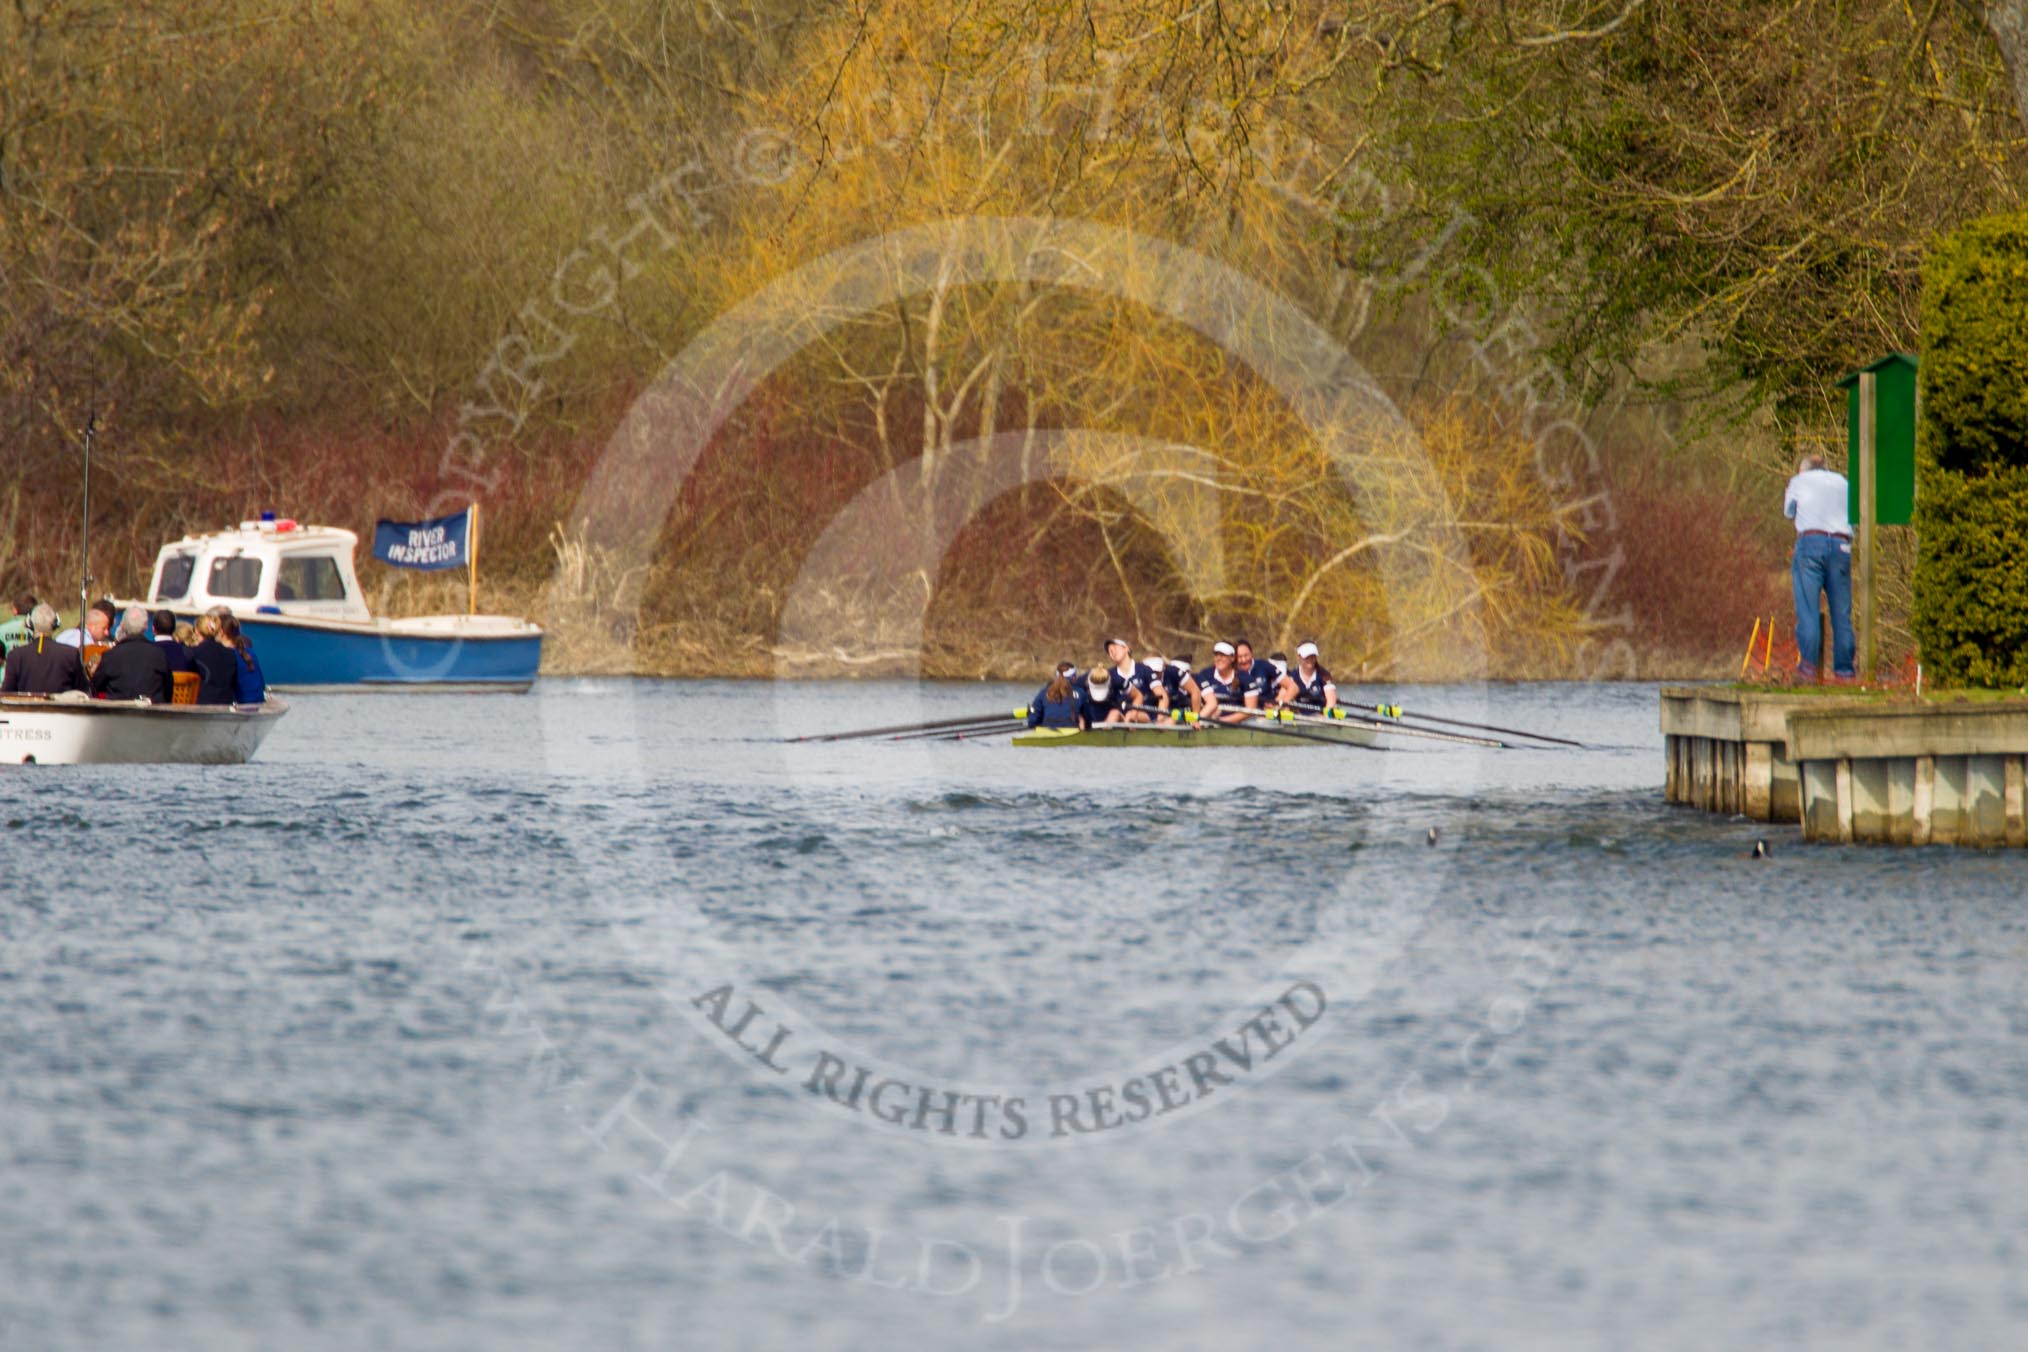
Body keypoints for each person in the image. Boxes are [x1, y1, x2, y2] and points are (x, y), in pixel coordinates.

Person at [1783, 452, 1856, 682]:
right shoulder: (1843, 482)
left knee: (1808, 610)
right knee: (1841, 614)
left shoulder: (1798, 481)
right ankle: (1845, 673)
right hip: (1841, 545)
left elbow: (1789, 512)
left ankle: (1807, 670)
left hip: (1810, 544)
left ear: (1803, 470)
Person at [88, 606, 173, 702]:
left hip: (118, 712)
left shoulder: (110, 656)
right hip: (151, 714)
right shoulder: (159, 655)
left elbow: (95, 688)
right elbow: (168, 690)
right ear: (145, 626)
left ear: (123, 626)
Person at [0, 604, 87, 695]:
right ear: (56, 624)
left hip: (26, 708)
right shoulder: (71, 654)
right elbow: (83, 692)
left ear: (30, 624)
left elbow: (6, 694)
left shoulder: (15, 655)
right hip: (60, 708)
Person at [1194, 641, 1251, 723]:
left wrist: (1222, 721)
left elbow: (1249, 710)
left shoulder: (1245, 677)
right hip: (1208, 721)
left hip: (1236, 725)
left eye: (1223, 655)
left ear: (1232, 658)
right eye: (1216, 655)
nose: (1218, 658)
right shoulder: (1205, 674)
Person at [190, 612, 240, 705]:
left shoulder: (193, 653)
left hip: (202, 704)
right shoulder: (231, 654)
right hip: (226, 704)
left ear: (196, 631)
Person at [218, 611, 267, 704]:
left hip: (242, 702)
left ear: (221, 632)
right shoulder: (250, 652)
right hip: (258, 700)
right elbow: (262, 683)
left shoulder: (226, 655)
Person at [1103, 637, 1153, 723]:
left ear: (1126, 648)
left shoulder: (1144, 670)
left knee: (1130, 714)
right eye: (1109, 651)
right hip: (1120, 715)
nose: (1112, 652)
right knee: (1113, 713)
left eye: (1115, 648)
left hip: (1144, 714)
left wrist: (1160, 718)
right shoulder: (1109, 674)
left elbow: (1162, 694)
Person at [1277, 641, 1339, 711]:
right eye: (1307, 657)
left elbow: (1331, 700)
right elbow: (1281, 698)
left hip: (1320, 715)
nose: (1310, 660)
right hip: (1297, 716)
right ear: (1299, 656)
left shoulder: (1325, 675)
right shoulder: (1292, 676)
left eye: (1313, 656)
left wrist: (1325, 717)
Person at [1026, 661, 1084, 729]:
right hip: (1072, 731)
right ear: (1073, 677)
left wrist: (1034, 725)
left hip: (1047, 731)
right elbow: (1088, 717)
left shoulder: (1044, 692)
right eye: (1075, 675)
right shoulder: (1081, 692)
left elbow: (1032, 720)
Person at [1231, 639, 1276, 710]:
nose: (1244, 660)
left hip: (1265, 713)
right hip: (1240, 713)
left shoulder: (1263, 665)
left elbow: (1290, 686)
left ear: (1251, 653)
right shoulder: (1230, 672)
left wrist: (1276, 703)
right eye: (1239, 657)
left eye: (1246, 655)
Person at [152, 610, 194, 677]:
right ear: (174, 629)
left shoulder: (147, 651)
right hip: (182, 687)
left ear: (153, 629)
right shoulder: (187, 653)